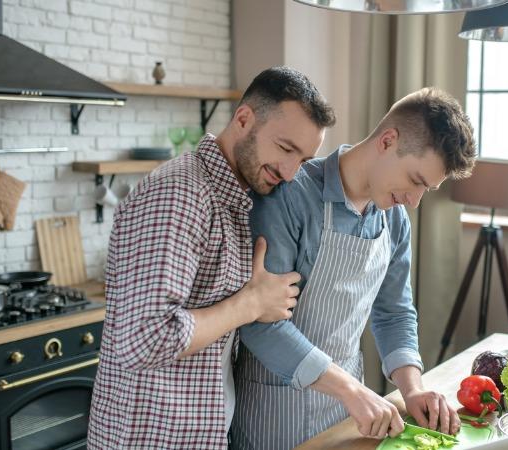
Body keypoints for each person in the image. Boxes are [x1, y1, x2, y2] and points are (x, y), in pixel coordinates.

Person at [87, 66, 336, 449]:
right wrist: (251, 303)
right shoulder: (181, 195)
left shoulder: (234, 198)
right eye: (286, 148)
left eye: (302, 160)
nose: (290, 173)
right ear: (243, 119)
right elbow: (145, 339)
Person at [232, 87, 477, 450]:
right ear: (388, 140)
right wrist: (351, 390)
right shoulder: (290, 196)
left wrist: (412, 389)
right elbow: (260, 324)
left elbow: (394, 312)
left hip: (351, 412)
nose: (413, 201)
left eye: (428, 190)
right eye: (415, 181)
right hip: (274, 411)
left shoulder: (393, 220)